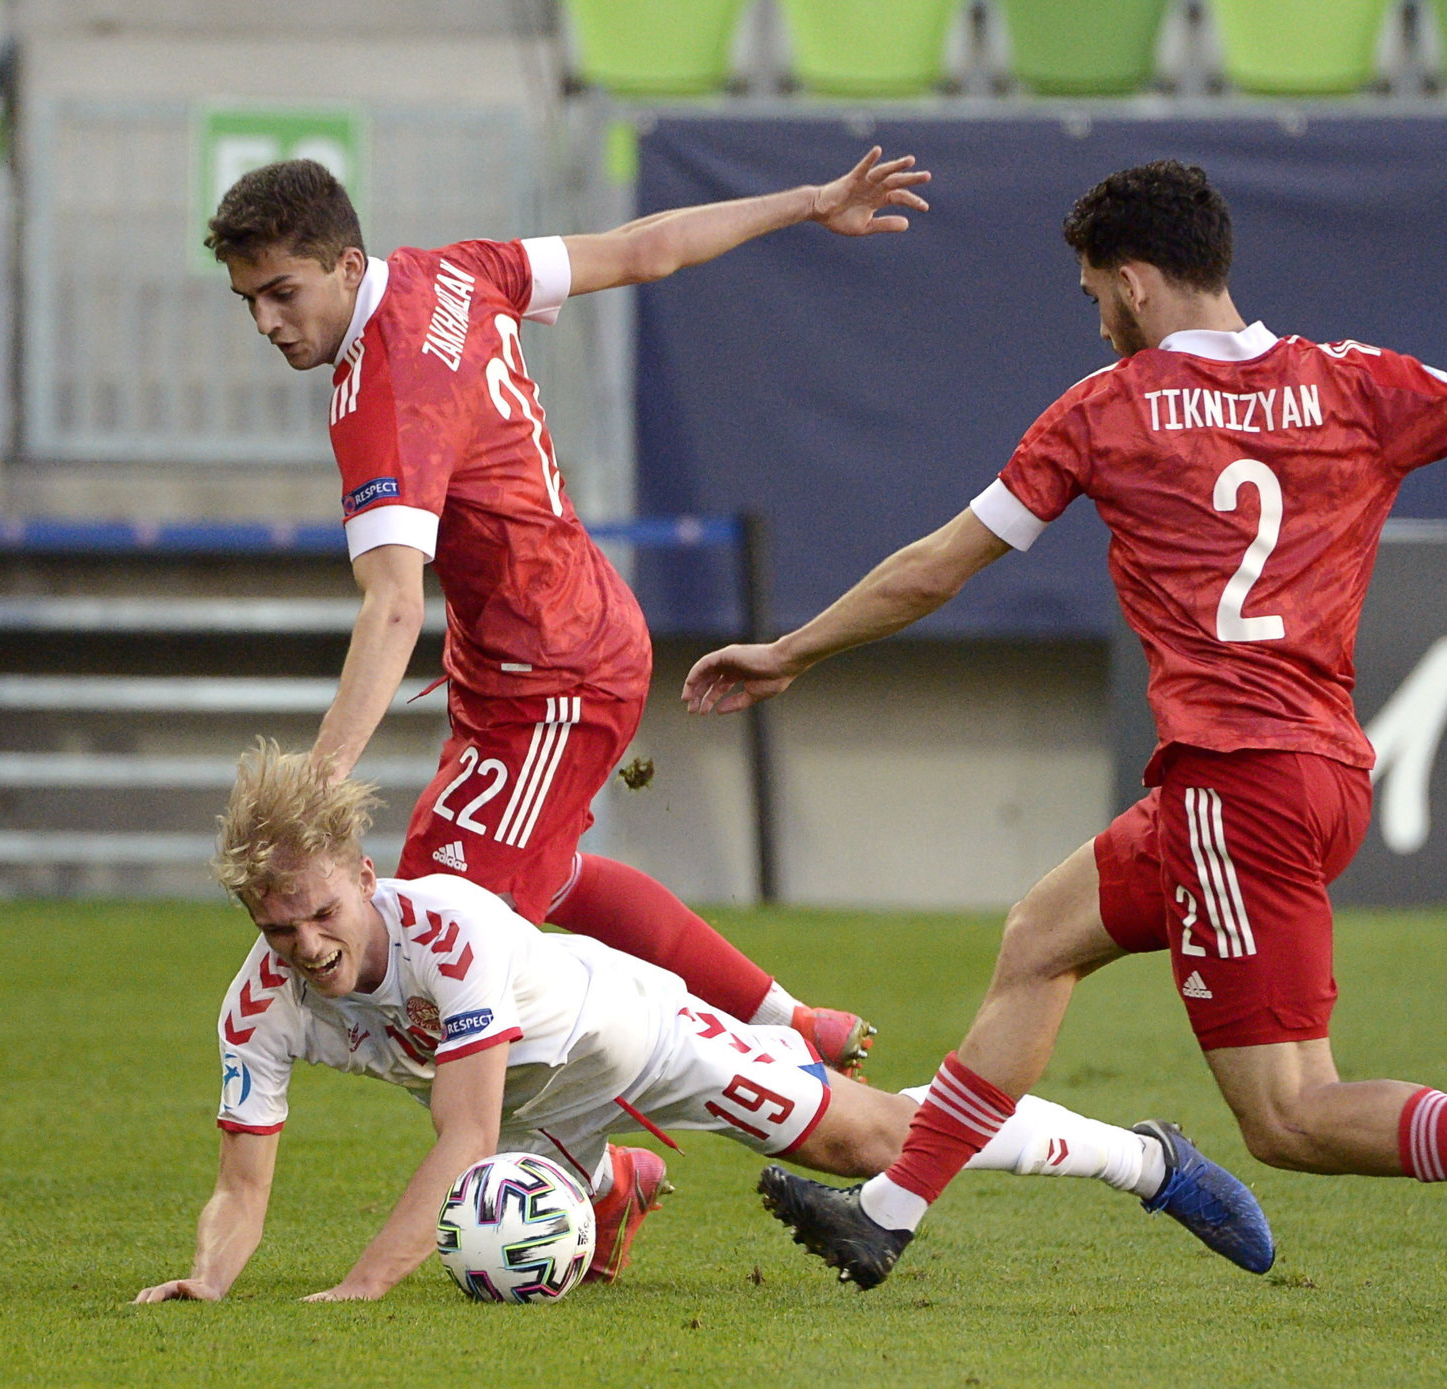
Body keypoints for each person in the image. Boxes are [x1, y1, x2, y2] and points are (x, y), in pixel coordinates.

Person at [683, 159, 1447, 1291]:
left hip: (1234, 780)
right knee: (1040, 936)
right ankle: (884, 1217)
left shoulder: (1104, 409)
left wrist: (791, 648)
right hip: (1293, 773)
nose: (1094, 315)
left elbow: (938, 566)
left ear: (1133, 278)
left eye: (1093, 291)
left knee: (1288, 1117)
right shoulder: (1357, 382)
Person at [202, 149, 935, 1073]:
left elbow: (391, 608)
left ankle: (704, 1115)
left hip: (556, 674)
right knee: (535, 879)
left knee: (438, 952)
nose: (268, 322)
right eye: (249, 303)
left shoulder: (383, 397)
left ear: (348, 266)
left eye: (282, 293)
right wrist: (809, 199)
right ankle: (786, 1023)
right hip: (522, 652)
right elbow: (643, 250)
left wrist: (318, 786)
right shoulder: (454, 271)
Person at [132, 745, 1275, 1305]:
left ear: (364, 876)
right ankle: (602, 1183)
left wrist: (364, 1283)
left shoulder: (452, 930)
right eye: (277, 929)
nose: (307, 947)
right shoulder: (259, 1001)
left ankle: (1144, 1156)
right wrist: (208, 1278)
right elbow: (241, 1186)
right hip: (542, 1108)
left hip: (639, 1040)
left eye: (321, 913)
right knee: (506, 1243)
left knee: (874, 1142)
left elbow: (461, 1131)